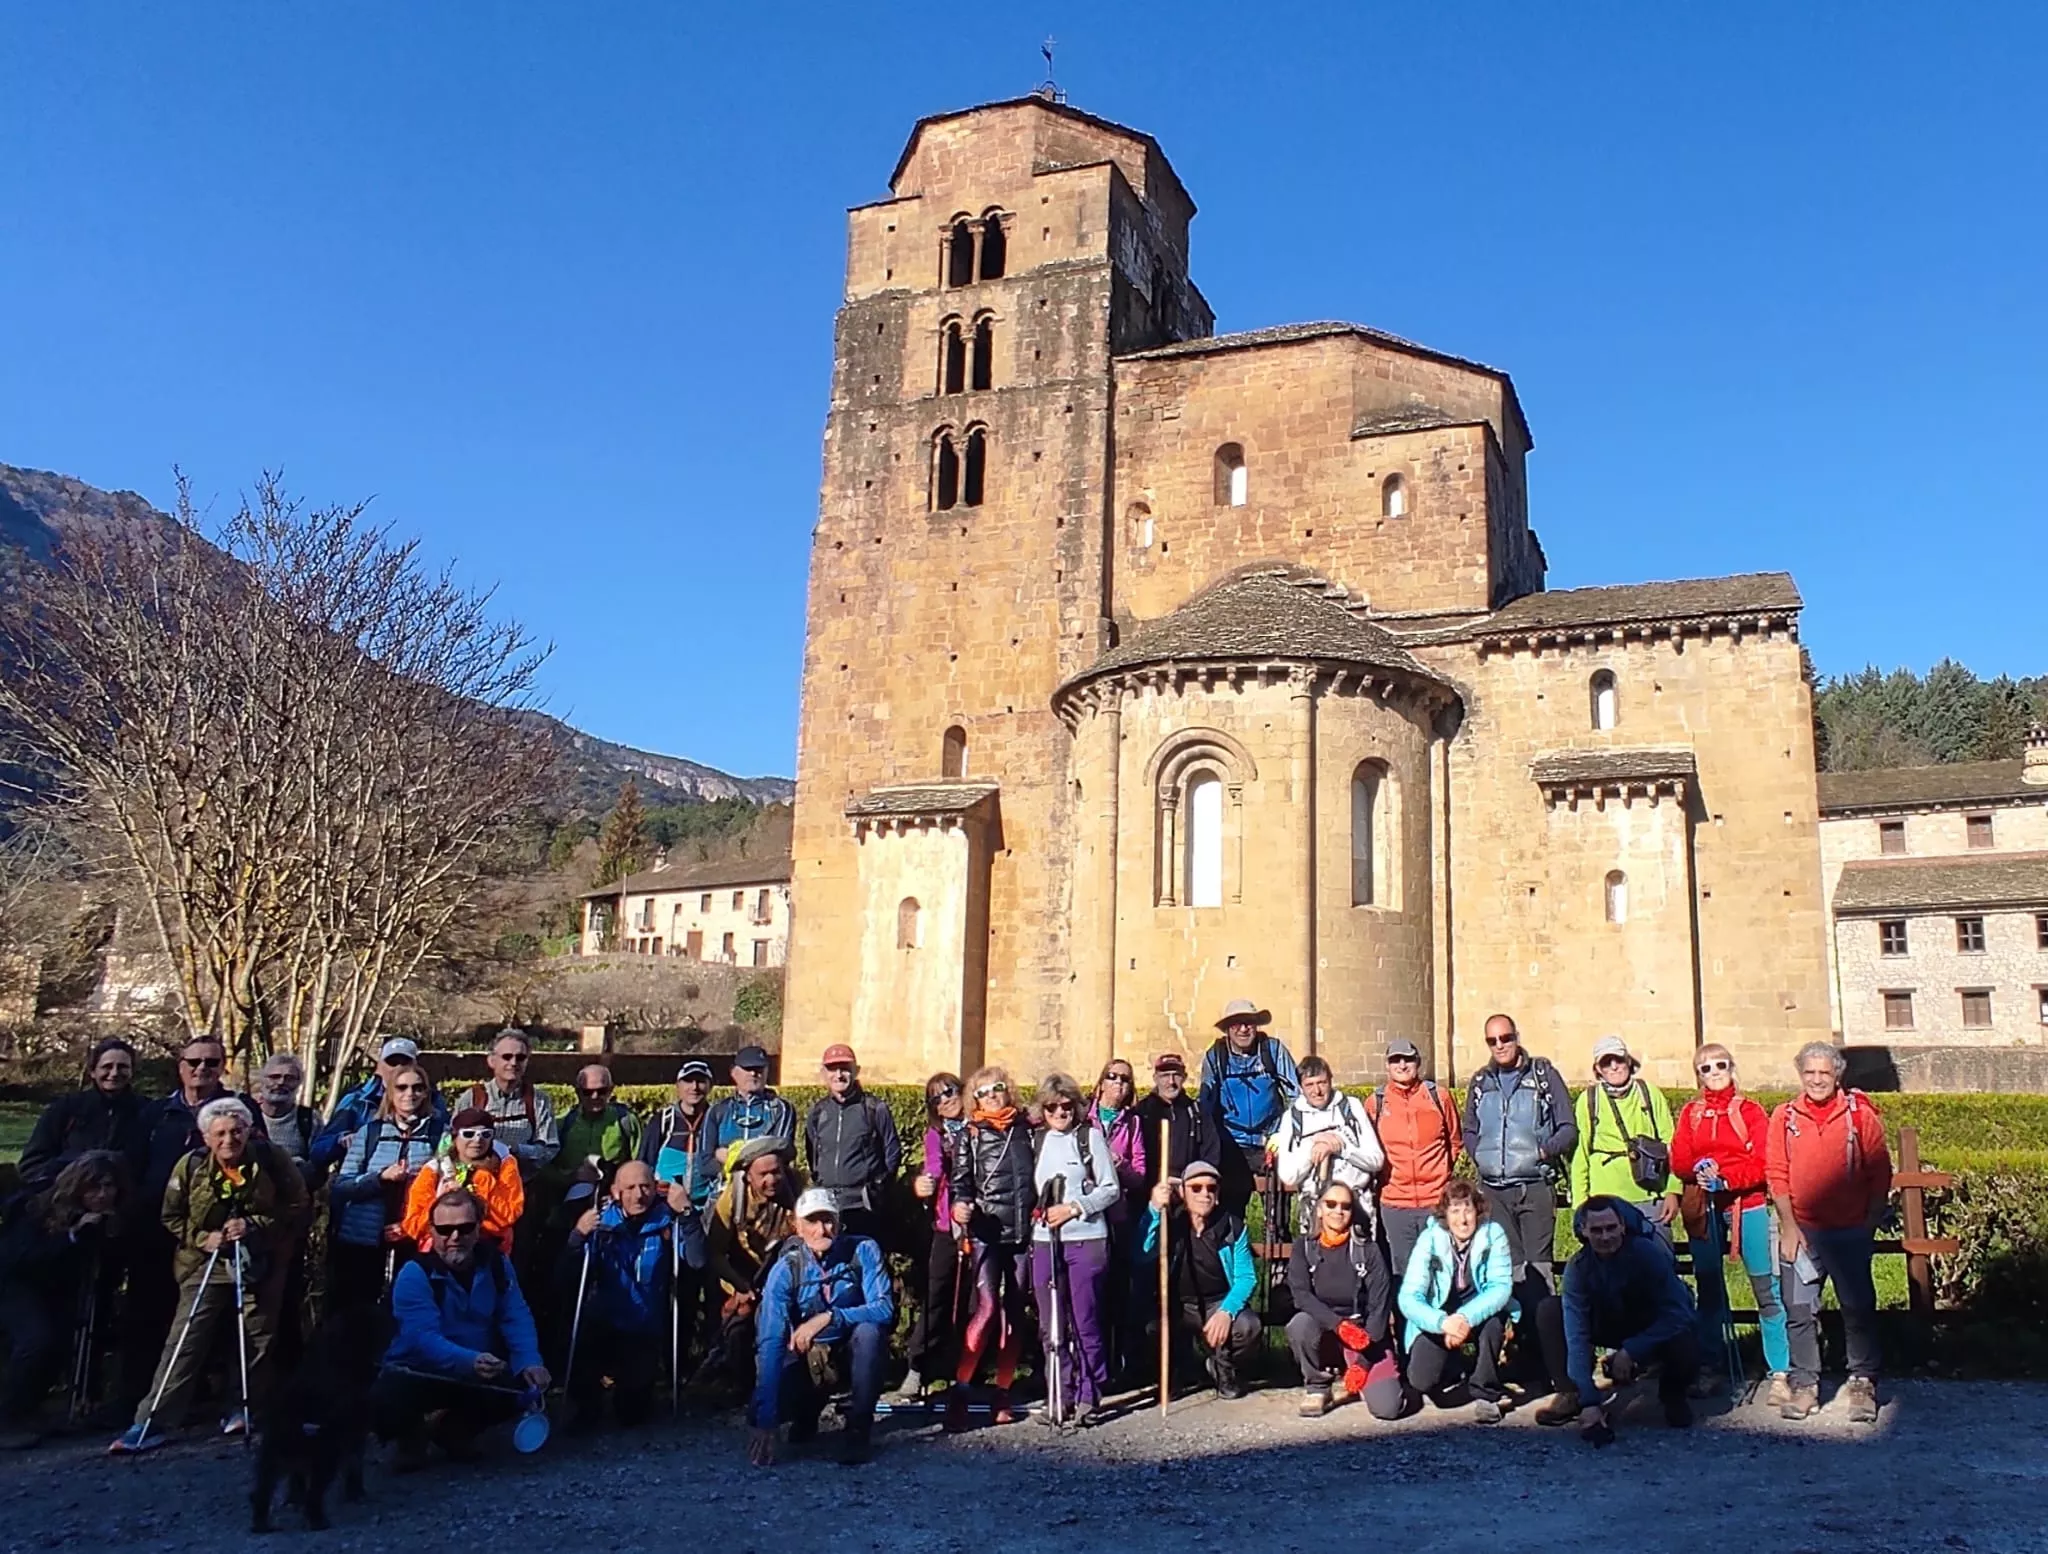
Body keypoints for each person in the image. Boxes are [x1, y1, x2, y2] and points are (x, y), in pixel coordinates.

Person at [110, 1098, 308, 1452]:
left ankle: (245, 1407)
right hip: (205, 1262)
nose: (229, 1140)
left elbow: (297, 1204)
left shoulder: (270, 1159)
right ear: (206, 1137)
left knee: (257, 1336)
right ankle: (152, 1420)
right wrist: (204, 1237)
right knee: (187, 1337)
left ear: (249, 1131)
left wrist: (253, 1225)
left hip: (259, 1258)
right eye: (220, 1134)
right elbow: (171, 1216)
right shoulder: (191, 1166)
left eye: (236, 1131)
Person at [117, 1035, 264, 1418]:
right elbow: (133, 1165)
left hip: (220, 1236)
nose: (202, 1069)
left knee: (214, 1324)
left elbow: (263, 1172)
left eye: (211, 1062)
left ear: (222, 1067)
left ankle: (210, 1398)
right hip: (159, 1228)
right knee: (151, 1315)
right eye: (194, 1061)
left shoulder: (239, 1111)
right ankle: (137, 1400)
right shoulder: (156, 1113)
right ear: (180, 1065)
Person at [373, 1188, 549, 1470]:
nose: (455, 1237)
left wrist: (530, 1361)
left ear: (479, 1228)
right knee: (388, 1395)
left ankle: (454, 1431)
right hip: (419, 1368)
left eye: (465, 1228)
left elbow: (515, 1314)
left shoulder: (497, 1265)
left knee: (517, 1386)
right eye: (445, 1229)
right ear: (431, 1231)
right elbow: (422, 1338)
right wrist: (469, 1360)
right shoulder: (414, 1275)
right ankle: (410, 1437)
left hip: (477, 1366)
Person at [1766, 1041, 1891, 1424]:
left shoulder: (1860, 1116)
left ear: (1837, 1074)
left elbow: (1879, 1171)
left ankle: (1862, 1382)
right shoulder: (1783, 1116)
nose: (1817, 1080)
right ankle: (1805, 1385)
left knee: (1857, 1309)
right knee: (1799, 1310)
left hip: (1849, 1229)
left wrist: (1867, 1224)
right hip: (1802, 1231)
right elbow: (1777, 1172)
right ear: (1800, 1075)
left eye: (1824, 1073)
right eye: (1809, 1073)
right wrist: (1788, 1226)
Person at [1671, 1043, 1789, 1405]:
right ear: (1698, 1075)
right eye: (1705, 1068)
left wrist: (1727, 1177)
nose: (1714, 1071)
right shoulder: (1691, 1113)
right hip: (1705, 1205)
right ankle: (1710, 1365)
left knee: (1765, 1287)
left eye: (1720, 1064)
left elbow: (1763, 1162)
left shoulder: (1751, 1111)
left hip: (1747, 1205)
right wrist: (1700, 1168)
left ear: (1732, 1067)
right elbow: (1679, 1158)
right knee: (1709, 1287)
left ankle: (1780, 1371)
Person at [747, 1188, 894, 1467]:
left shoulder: (863, 1250)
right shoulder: (786, 1269)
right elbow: (771, 1341)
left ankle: (859, 1429)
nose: (821, 1230)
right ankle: (806, 1412)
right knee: (758, 1411)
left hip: (850, 1346)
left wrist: (829, 1317)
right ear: (798, 1227)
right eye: (812, 1221)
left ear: (839, 1223)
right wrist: (767, 1419)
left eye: (828, 1221)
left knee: (870, 1332)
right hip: (806, 1353)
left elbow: (884, 1308)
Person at [1534, 1196, 1699, 1438]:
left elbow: (1679, 1312)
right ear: (1584, 1232)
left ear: (1622, 1226)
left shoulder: (1648, 1254)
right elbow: (1576, 1335)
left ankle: (1673, 1394)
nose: (1605, 1237)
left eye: (1611, 1228)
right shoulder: (1578, 1268)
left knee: (1685, 1334)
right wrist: (1590, 1401)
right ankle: (1573, 1394)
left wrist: (1632, 1350)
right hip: (1605, 1322)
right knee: (1550, 1310)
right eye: (1597, 1230)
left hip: (1647, 1324)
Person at [1460, 1014, 1577, 1344]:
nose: (1499, 1045)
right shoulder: (1481, 1081)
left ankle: (1550, 1357)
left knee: (1539, 1272)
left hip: (1534, 1187)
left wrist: (1543, 1152)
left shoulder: (1542, 1075)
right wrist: (1479, 1154)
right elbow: (1470, 1129)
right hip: (1495, 1191)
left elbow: (1567, 1127)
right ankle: (1522, 1347)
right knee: (1507, 1273)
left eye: (1505, 1038)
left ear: (1516, 1037)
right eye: (1492, 1040)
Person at [560, 1160, 703, 1427]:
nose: (639, 1194)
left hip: (644, 1327)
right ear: (616, 1191)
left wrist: (687, 1213)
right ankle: (586, 1403)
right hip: (603, 1320)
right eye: (630, 1187)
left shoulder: (667, 1222)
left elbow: (696, 1260)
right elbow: (567, 1274)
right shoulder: (601, 1222)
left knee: (632, 1415)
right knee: (586, 1402)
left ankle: (631, 1394)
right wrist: (578, 1235)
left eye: (645, 1186)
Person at [0, 1152, 126, 1449]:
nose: (103, 1195)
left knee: (62, 1337)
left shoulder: (107, 1217)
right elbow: (23, 1259)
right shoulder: (35, 1208)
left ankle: (37, 1407)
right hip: (16, 1284)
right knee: (36, 1340)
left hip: (57, 1290)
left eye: (109, 1187)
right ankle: (9, 1417)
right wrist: (73, 1236)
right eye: (94, 1188)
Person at [943, 1066, 1036, 1430]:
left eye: (998, 1088)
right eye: (983, 1092)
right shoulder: (971, 1135)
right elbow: (960, 1183)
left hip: (1022, 1232)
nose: (993, 1095)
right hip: (986, 1231)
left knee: (1014, 1313)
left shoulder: (1026, 1129)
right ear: (974, 1099)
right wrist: (960, 1205)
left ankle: (1002, 1391)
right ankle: (962, 1388)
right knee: (986, 1309)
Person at [1029, 1072, 1120, 1427]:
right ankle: (1059, 1393)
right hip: (1044, 1241)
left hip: (1086, 1239)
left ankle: (1089, 1393)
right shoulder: (1036, 1140)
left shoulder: (1090, 1138)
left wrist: (1073, 1208)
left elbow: (1110, 1188)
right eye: (1052, 1107)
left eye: (1067, 1105)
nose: (1060, 1112)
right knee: (1051, 1325)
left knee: (1085, 1320)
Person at [1140, 1160, 1262, 1399]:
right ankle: (1175, 1370)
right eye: (1196, 1188)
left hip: (1218, 1300)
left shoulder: (1231, 1227)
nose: (1204, 1194)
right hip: (1178, 1304)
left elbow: (1246, 1277)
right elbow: (1140, 1252)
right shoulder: (1169, 1223)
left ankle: (1221, 1366)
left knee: (1249, 1327)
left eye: (1211, 1188)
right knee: (1151, 1326)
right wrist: (1154, 1208)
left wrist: (1227, 1311)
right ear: (1183, 1191)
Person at [1397, 1179, 1516, 1422]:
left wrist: (1464, 1318)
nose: (1462, 1219)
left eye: (1468, 1210)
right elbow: (1409, 1298)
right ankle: (1455, 1365)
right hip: (1440, 1314)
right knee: (1421, 1380)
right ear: (1445, 1214)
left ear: (1477, 1211)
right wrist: (1442, 1322)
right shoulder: (1429, 1239)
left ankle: (1486, 1393)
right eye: (1455, 1210)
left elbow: (1500, 1288)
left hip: (1479, 1310)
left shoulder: (1494, 1234)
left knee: (1495, 1320)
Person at [328, 1066, 443, 1312]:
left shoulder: (438, 1135)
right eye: (401, 1087)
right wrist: (380, 1178)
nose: (409, 1094)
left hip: (412, 1239)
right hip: (363, 1239)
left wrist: (411, 1225)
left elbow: (443, 1193)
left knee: (407, 1311)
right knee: (358, 1312)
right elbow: (342, 1185)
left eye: (418, 1088)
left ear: (426, 1094)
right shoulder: (370, 1132)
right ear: (390, 1092)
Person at [1284, 1180, 1401, 1420]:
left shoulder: (1367, 1250)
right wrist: (1338, 1325)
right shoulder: (1304, 1248)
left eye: (1345, 1206)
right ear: (1319, 1209)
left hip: (1365, 1335)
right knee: (1299, 1325)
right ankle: (1318, 1386)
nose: (1338, 1211)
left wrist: (1364, 1362)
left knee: (1388, 1408)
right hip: (1324, 1327)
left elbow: (1380, 1305)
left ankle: (1356, 1370)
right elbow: (1301, 1295)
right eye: (1331, 1204)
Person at [1363, 1037, 1462, 1279]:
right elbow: (1368, 1148)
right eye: (1395, 1059)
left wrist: (1440, 1177)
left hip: (1435, 1201)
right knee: (1403, 1273)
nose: (1402, 1064)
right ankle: (1408, 1318)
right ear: (1387, 1066)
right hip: (1396, 1204)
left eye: (1407, 1058)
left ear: (1417, 1062)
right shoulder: (1375, 1103)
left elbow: (1455, 1141)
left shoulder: (1439, 1097)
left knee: (1441, 1268)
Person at [894, 1072, 966, 1401]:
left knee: (975, 1303)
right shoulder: (936, 1135)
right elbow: (933, 1167)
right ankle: (917, 1366)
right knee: (937, 1298)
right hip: (945, 1226)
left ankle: (962, 1371)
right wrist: (924, 1183)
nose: (945, 1100)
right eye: (936, 1097)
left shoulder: (981, 1127)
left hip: (982, 1226)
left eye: (949, 1091)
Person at [704, 1138, 799, 1387]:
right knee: (738, 1327)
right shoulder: (731, 1200)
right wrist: (739, 1287)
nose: (772, 1180)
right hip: (741, 1272)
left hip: (786, 1271)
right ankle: (739, 1384)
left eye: (776, 1172)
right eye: (763, 1174)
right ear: (748, 1175)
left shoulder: (799, 1189)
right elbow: (715, 1253)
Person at [1568, 1035, 1681, 1241]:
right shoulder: (1589, 1100)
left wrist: (1673, 1190)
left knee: (1658, 1264)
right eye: (1606, 1062)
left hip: (1651, 1196)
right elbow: (1580, 1155)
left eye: (1618, 1060)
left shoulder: (1649, 1093)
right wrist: (1580, 1205)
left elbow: (1672, 1145)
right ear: (1598, 1069)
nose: (1614, 1067)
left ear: (1628, 1061)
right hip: (1606, 1200)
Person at [1197, 1001, 1299, 1215]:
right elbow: (1206, 1103)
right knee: (1231, 1213)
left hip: (1270, 1142)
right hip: (1232, 1143)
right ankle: (1235, 1246)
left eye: (1249, 1023)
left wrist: (1284, 1133)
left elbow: (1296, 1094)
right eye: (1236, 1024)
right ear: (1227, 1029)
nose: (1243, 1029)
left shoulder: (1273, 1050)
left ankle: (1280, 1243)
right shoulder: (1216, 1056)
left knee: (1277, 1214)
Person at [801, 1044, 902, 1245]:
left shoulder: (874, 1108)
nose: (838, 1075)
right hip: (828, 1205)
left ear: (856, 1070)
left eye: (844, 1068)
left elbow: (892, 1151)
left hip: (863, 1206)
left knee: (865, 1262)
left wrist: (878, 1188)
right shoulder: (818, 1112)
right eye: (832, 1069)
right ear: (823, 1073)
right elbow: (813, 1153)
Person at [1274, 1055, 1385, 1238]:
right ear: (1301, 1087)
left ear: (1331, 1080)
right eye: (1309, 1085)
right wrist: (1315, 1147)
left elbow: (1376, 1160)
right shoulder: (1293, 1118)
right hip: (1315, 1212)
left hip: (1357, 1210)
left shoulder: (1351, 1108)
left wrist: (1342, 1148)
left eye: (1322, 1083)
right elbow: (1288, 1175)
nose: (1317, 1090)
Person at [18, 1038, 148, 1190]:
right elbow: (32, 1165)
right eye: (107, 1067)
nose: (114, 1073)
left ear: (132, 1071)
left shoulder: (147, 1111)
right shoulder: (65, 1109)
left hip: (127, 1205)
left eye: (122, 1067)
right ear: (93, 1072)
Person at [308, 1037, 447, 1176]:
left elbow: (448, 1145)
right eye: (392, 1062)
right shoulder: (357, 1102)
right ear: (379, 1066)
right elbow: (318, 1153)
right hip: (366, 1185)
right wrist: (340, 1141)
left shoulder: (433, 1102)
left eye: (405, 1062)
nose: (398, 1068)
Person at [1091, 1058, 1148, 1381]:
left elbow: (1140, 1175)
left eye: (1125, 1079)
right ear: (1100, 1083)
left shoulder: (1133, 1123)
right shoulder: (1084, 1118)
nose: (1118, 1083)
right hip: (1084, 1217)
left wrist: (1120, 1166)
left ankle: (1112, 1368)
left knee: (1115, 1293)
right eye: (1112, 1076)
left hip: (1117, 1216)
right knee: (1088, 1293)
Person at [402, 1108, 524, 1254]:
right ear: (454, 1137)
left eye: (486, 1134)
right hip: (439, 1255)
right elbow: (413, 1227)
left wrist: (478, 1182)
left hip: (489, 1253)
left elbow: (508, 1217)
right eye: (468, 1134)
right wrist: (440, 1202)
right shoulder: (435, 1169)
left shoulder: (504, 1164)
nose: (477, 1140)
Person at [540, 1064, 643, 1228]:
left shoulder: (627, 1121)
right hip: (568, 1206)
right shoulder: (562, 1123)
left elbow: (641, 1164)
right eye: (587, 1092)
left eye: (601, 1091)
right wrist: (571, 1178)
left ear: (611, 1090)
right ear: (577, 1092)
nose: (594, 1096)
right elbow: (544, 1168)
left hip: (615, 1203)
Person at [454, 1028, 559, 1182]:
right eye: (507, 1057)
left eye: (520, 1057)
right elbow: (450, 1142)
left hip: (521, 1185)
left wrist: (517, 1151)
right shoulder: (472, 1098)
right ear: (491, 1061)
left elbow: (549, 1148)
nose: (513, 1063)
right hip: (476, 1185)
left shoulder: (539, 1101)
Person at [639, 1060, 719, 1213]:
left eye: (701, 1082)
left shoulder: (717, 1119)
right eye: (688, 1081)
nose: (694, 1087)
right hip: (664, 1207)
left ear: (710, 1086)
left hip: (706, 1208)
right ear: (678, 1086)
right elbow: (644, 1163)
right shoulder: (663, 1121)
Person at [1132, 1052, 1218, 1188]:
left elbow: (1210, 1154)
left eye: (1176, 1075)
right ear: (1155, 1078)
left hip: (1187, 1190)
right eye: (1165, 1076)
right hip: (1149, 1191)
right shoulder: (1141, 1113)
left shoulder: (1198, 1113)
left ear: (1184, 1077)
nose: (1171, 1082)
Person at [707, 1045, 797, 1170]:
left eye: (759, 1069)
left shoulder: (782, 1109)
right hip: (722, 1184)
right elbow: (705, 1160)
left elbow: (781, 1152)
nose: (754, 1073)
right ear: (733, 1072)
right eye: (748, 1068)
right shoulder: (718, 1110)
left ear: (767, 1071)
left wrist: (732, 1157)